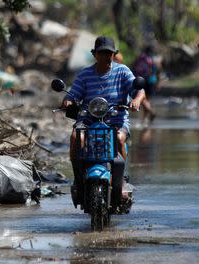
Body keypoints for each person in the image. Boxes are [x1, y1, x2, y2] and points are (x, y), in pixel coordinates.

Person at [61, 36, 146, 181]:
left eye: (109, 53)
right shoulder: (85, 74)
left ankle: (121, 178)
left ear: (114, 54)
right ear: (95, 54)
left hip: (116, 120)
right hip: (88, 119)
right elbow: (73, 94)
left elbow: (140, 91)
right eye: (102, 53)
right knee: (76, 137)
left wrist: (137, 100)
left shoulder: (122, 71)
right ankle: (79, 177)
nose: (106, 56)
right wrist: (68, 101)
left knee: (119, 139)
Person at [132, 44, 161, 122]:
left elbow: (134, 66)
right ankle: (145, 119)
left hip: (141, 81)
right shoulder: (154, 59)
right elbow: (158, 71)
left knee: (143, 99)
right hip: (152, 81)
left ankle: (150, 113)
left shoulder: (140, 57)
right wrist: (158, 82)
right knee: (147, 99)